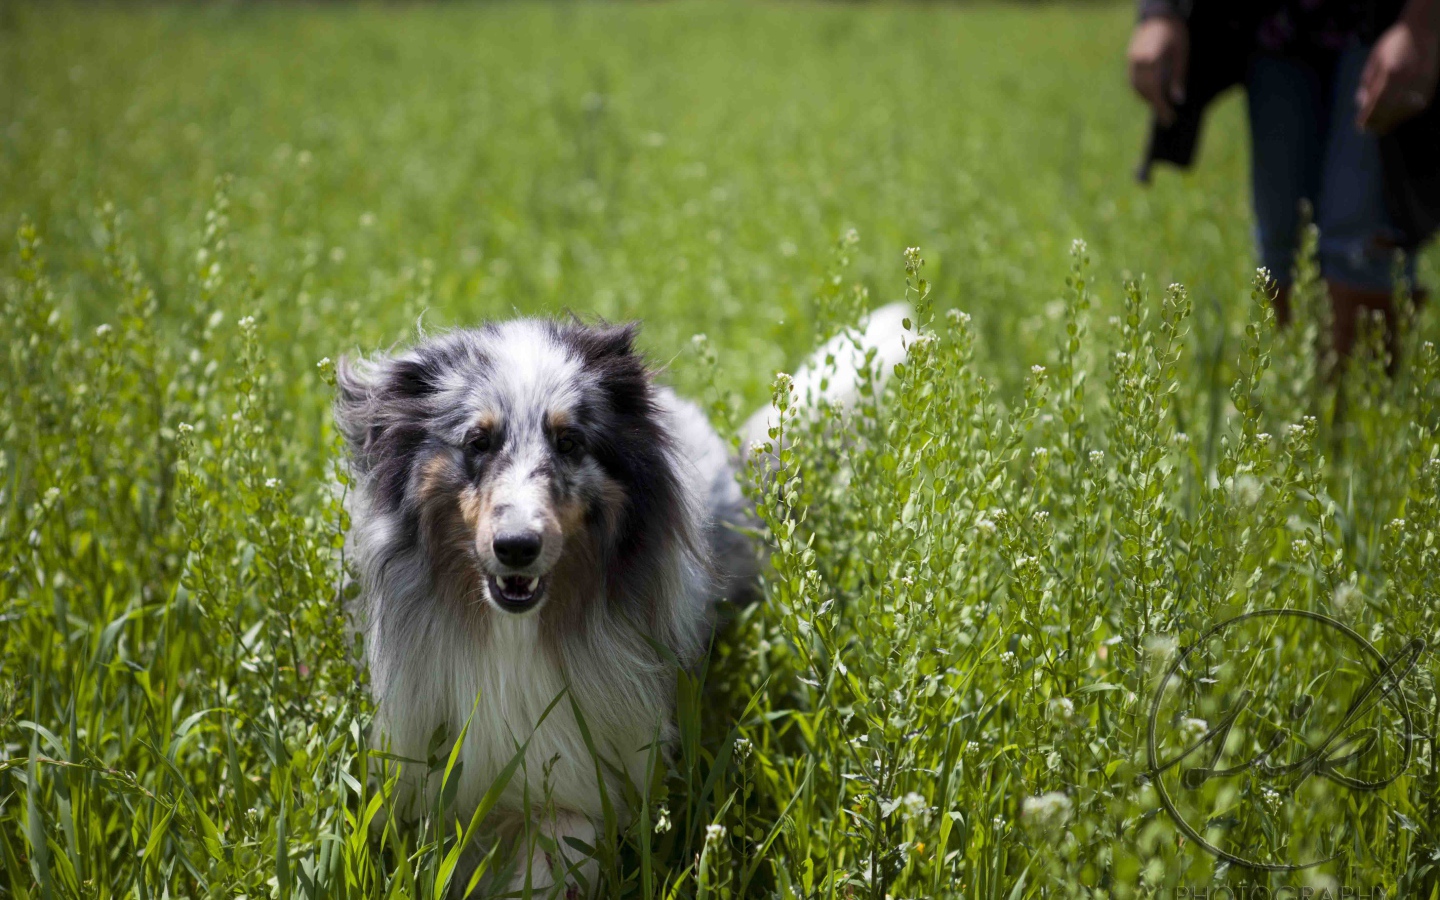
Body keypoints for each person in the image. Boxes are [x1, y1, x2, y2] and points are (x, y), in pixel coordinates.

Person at [1129, 0, 1440, 359]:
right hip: (1275, 26)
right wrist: (1160, 11)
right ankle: (1305, 394)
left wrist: (1423, 22)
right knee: (1283, 241)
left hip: (1382, 19)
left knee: (1360, 241)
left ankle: (1354, 408)